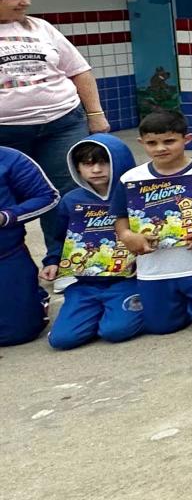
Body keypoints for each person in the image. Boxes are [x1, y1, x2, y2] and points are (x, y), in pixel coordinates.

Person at [0, 0, 112, 254]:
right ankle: (15, 264)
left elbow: (79, 70)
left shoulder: (41, 28)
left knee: (67, 191)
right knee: (6, 198)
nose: (25, 2)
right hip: (6, 131)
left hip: (62, 123)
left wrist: (95, 114)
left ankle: (66, 258)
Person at [110, 109, 192, 339]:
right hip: (156, 269)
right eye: (152, 143)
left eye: (169, 141)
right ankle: (187, 302)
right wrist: (127, 236)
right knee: (162, 328)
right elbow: (120, 218)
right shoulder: (130, 179)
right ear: (141, 143)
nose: (160, 148)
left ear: (187, 139)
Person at [41, 132, 139, 350]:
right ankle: (91, 314)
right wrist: (52, 261)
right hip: (85, 284)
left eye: (105, 163)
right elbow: (60, 237)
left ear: (120, 161)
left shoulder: (137, 193)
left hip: (128, 281)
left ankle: (118, 312)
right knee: (62, 340)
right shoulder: (71, 201)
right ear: (77, 168)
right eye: (87, 164)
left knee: (115, 331)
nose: (96, 170)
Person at [0, 143, 60, 345]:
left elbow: (48, 196)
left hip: (6, 255)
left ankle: (35, 296)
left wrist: (7, 216)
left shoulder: (9, 158)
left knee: (17, 333)